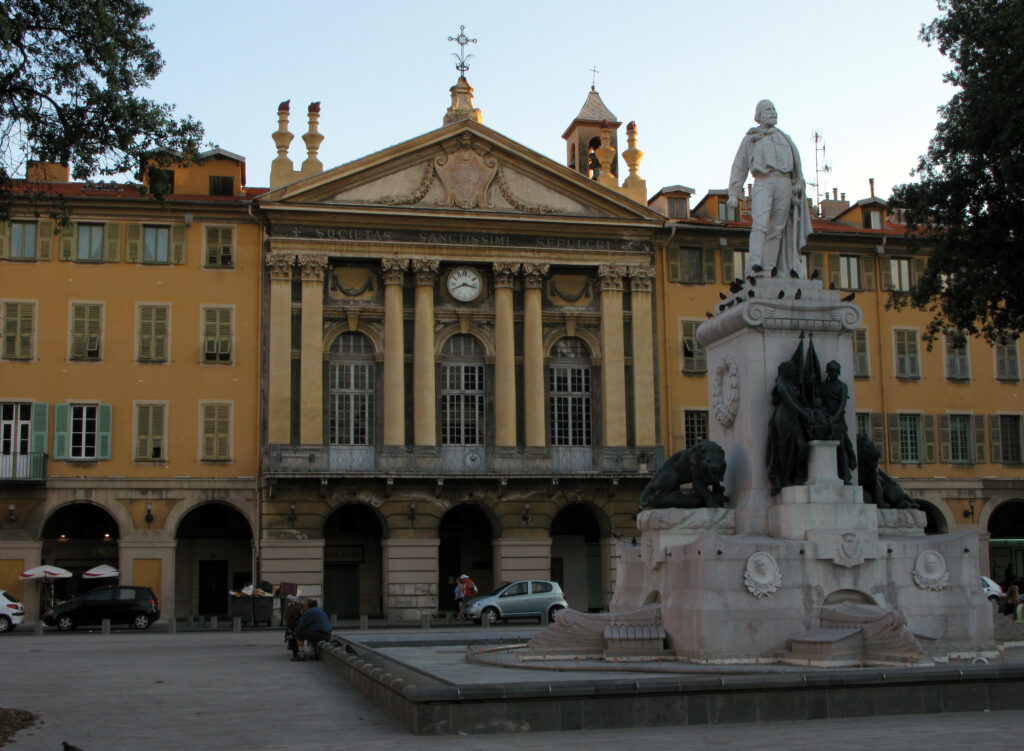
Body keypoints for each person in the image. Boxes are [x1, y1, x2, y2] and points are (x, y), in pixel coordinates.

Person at [727, 100, 813, 279]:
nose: (773, 112)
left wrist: (798, 183)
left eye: (774, 109)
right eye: (768, 109)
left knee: (777, 228)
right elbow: (739, 166)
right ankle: (755, 264)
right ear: (758, 115)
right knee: (760, 223)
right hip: (763, 181)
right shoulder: (751, 138)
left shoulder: (785, 139)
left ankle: (768, 269)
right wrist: (734, 193)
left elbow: (797, 169)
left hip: (784, 182)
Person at [821, 360, 857, 484]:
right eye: (831, 371)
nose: (833, 373)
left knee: (842, 447)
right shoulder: (824, 386)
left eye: (835, 371)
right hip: (825, 418)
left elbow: (842, 404)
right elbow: (820, 403)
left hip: (838, 420)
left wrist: (835, 418)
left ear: (839, 372)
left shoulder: (843, 386)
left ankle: (846, 475)